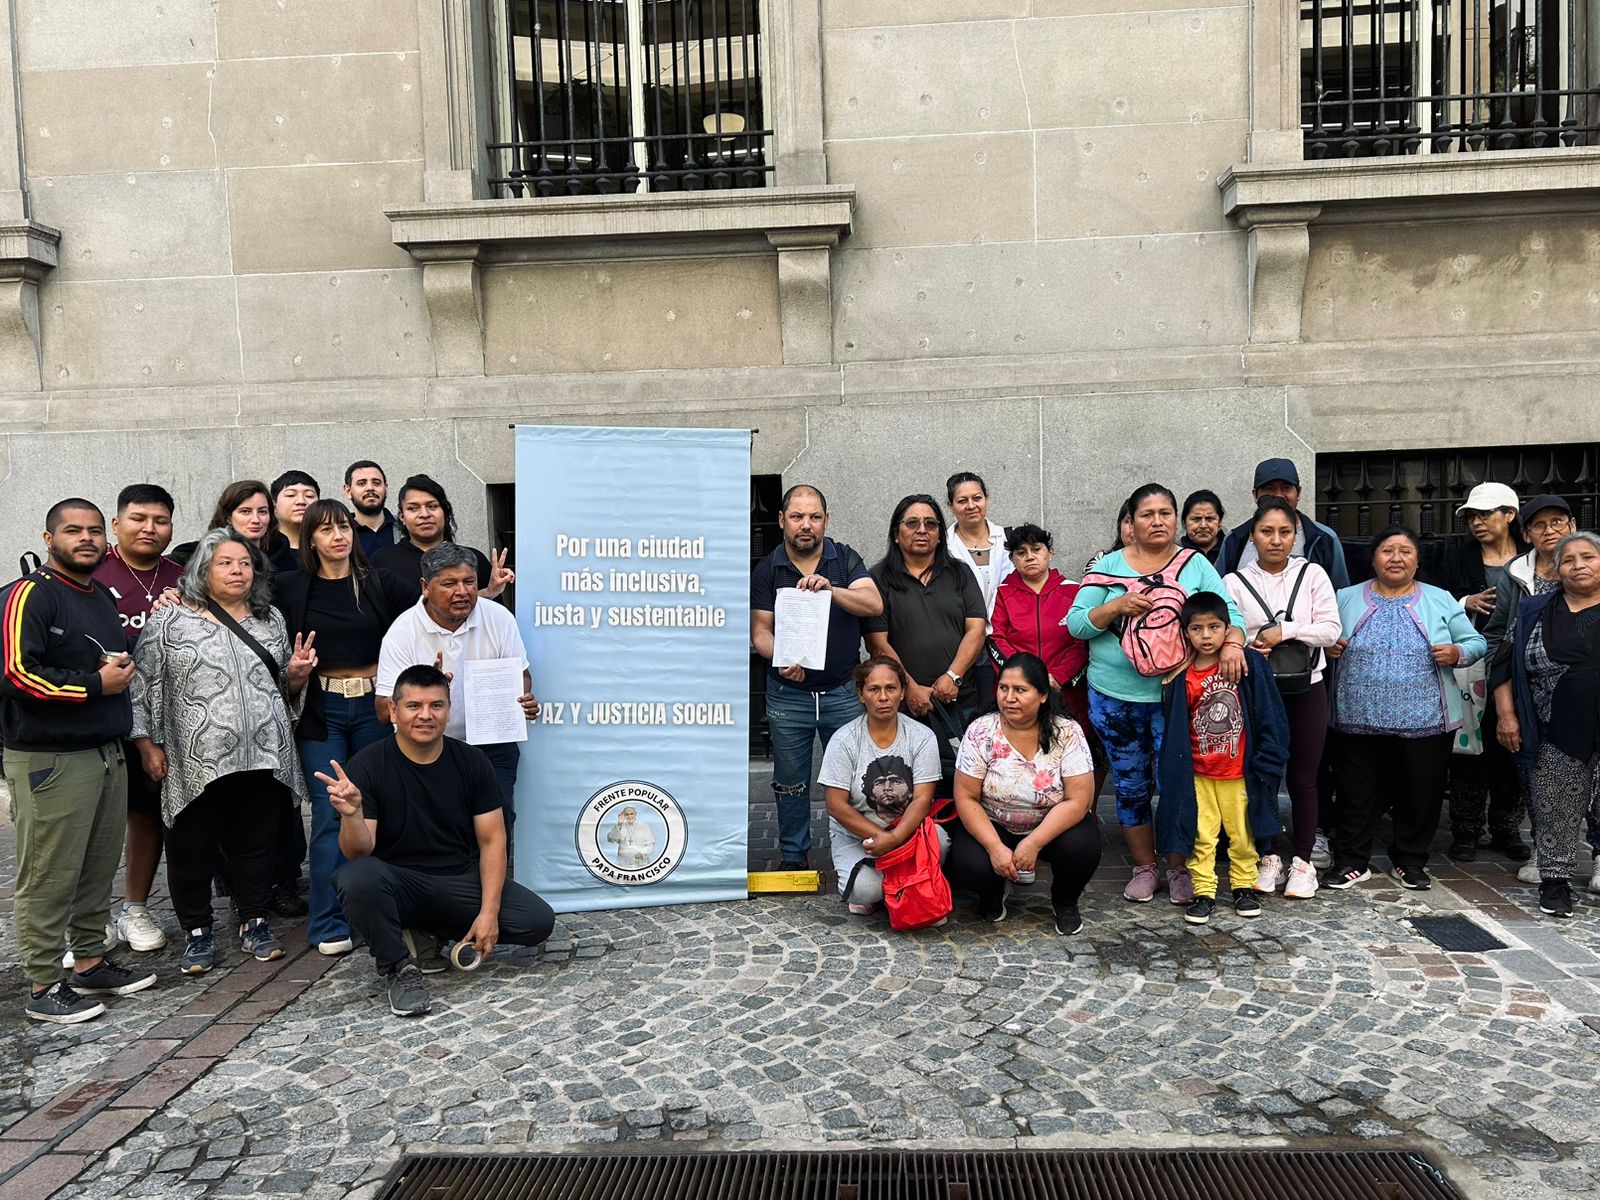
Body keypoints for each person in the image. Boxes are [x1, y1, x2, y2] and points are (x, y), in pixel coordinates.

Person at [131, 528, 318, 973]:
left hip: (264, 752)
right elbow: (142, 686)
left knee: (257, 844)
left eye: (245, 564)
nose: (237, 571)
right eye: (225, 563)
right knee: (191, 844)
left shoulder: (269, 618)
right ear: (203, 570)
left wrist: (295, 674)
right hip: (196, 758)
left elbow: (281, 690)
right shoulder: (170, 620)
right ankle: (197, 931)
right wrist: (145, 744)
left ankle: (254, 920)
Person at [322, 664, 556, 1017]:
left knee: (537, 921)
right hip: (398, 882)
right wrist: (353, 815)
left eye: (436, 706)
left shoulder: (472, 761)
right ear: (393, 711)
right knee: (358, 878)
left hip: (458, 880)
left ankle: (426, 932)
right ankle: (400, 969)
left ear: (448, 711)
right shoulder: (368, 764)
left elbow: (493, 841)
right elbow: (358, 851)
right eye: (414, 706)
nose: (425, 715)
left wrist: (489, 914)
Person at [2, 499, 156, 1024]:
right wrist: (95, 683)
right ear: (49, 538)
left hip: (103, 752)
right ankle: (44, 983)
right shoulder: (29, 595)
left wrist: (108, 667)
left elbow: (82, 660)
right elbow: (16, 673)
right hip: (51, 759)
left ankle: (90, 961)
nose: (86, 539)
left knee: (94, 868)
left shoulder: (97, 596)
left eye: (93, 531)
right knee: (49, 873)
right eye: (73, 531)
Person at [1067, 483, 1246, 904]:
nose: (1158, 521)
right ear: (1130, 522)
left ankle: (1180, 867)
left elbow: (1229, 614)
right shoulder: (1107, 566)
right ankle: (1144, 867)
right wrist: (1115, 607)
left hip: (1179, 699)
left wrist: (1234, 643)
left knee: (1177, 784)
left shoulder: (1194, 564)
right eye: (1147, 514)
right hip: (1114, 697)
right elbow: (1076, 624)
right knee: (1130, 784)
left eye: (1165, 513)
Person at [274, 499, 417, 956]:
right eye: (327, 529)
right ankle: (328, 921)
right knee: (330, 810)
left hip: (374, 706)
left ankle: (379, 910)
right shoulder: (290, 586)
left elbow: (425, 614)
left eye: (345, 528)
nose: (339, 536)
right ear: (310, 538)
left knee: (376, 805)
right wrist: (294, 673)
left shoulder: (377, 581)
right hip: (323, 709)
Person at [1323, 526, 1486, 892]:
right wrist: (1329, 645)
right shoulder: (1345, 597)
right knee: (1355, 791)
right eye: (1387, 550)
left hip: (1425, 717)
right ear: (1373, 558)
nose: (1396, 558)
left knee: (1420, 791)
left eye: (1405, 551)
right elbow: (1322, 634)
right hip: (1356, 716)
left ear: (1417, 560)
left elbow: (1475, 642)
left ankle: (1410, 861)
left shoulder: (1440, 598)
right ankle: (1351, 861)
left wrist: (1458, 653)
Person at [750, 484, 883, 869]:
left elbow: (872, 602)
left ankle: (868, 849)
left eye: (814, 517)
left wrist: (832, 589)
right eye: (797, 517)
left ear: (826, 520)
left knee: (859, 776)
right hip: (788, 695)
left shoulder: (844, 558)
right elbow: (760, 631)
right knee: (790, 783)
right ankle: (794, 858)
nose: (805, 525)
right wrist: (782, 656)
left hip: (842, 691)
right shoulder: (768, 567)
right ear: (782, 521)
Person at [1223, 498, 1341, 899]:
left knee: (1305, 777)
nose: (1276, 540)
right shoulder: (1234, 583)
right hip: (1257, 691)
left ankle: (1304, 861)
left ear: (1295, 535)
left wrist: (1285, 631)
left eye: (1285, 532)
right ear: (1252, 536)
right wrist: (1250, 647)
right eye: (1267, 532)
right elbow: (1228, 636)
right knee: (1262, 775)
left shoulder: (1313, 574)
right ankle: (1268, 855)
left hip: (1307, 687)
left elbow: (1330, 630)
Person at [376, 543, 539, 828]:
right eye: (449, 583)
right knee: (438, 829)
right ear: (425, 586)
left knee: (497, 821)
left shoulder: (499, 618)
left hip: (492, 745)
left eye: (469, 582)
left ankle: (491, 875)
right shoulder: (402, 632)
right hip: (428, 747)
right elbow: (383, 710)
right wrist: (427, 686)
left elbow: (522, 674)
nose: (462, 592)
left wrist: (522, 695)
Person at [1482, 495, 1599, 887]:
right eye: (1539, 525)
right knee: (1548, 787)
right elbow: (1501, 646)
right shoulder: (1520, 585)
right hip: (1546, 711)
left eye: (1557, 522)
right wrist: (1506, 711)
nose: (1549, 531)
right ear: (1526, 533)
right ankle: (1547, 856)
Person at [91, 484, 186, 954]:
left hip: (164, 717)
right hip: (97, 716)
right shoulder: (91, 572)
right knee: (95, 818)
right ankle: (90, 917)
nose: (150, 528)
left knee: (146, 813)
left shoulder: (183, 576)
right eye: (139, 518)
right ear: (116, 524)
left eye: (161, 520)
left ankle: (135, 907)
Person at [1157, 593, 1291, 924]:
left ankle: (1243, 886)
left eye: (1214, 627)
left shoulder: (1245, 664)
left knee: (1243, 833)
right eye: (1197, 628)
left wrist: (1268, 763)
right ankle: (1204, 891)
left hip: (1238, 771)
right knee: (1202, 835)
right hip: (1199, 773)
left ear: (1227, 629)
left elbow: (1270, 714)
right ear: (1185, 632)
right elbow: (1176, 727)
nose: (1206, 636)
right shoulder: (1180, 675)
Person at [946, 652, 1102, 934]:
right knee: (970, 862)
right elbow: (966, 796)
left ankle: (1065, 902)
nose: (1009, 697)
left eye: (1020, 690)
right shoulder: (981, 730)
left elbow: (1079, 801)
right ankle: (992, 896)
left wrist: (1033, 843)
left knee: (1083, 845)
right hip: (995, 820)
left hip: (1050, 823)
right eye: (1003, 688)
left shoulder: (1067, 732)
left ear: (1042, 695)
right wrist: (995, 848)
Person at [1420, 482, 1531, 864]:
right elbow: (1430, 600)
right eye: (1472, 516)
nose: (1477, 522)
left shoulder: (1529, 559)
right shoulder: (1456, 557)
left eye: (1485, 514)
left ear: (1510, 515)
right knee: (1468, 748)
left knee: (1511, 747)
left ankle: (1506, 827)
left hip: (1518, 668)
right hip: (1468, 665)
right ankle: (1466, 829)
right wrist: (1465, 600)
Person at [863, 495, 987, 790]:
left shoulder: (960, 573)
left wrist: (952, 676)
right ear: (896, 533)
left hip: (959, 699)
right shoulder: (878, 579)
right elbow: (877, 643)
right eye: (912, 523)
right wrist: (909, 688)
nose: (922, 530)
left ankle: (962, 836)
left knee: (965, 782)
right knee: (908, 784)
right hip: (905, 706)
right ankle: (919, 838)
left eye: (931, 524)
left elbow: (977, 629)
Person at [818, 656, 944, 916]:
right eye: (874, 689)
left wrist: (895, 838)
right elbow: (836, 806)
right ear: (861, 694)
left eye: (891, 688)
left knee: (942, 841)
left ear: (902, 692)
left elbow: (922, 799)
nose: (883, 697)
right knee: (865, 891)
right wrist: (880, 838)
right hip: (858, 836)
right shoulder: (844, 740)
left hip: (906, 831)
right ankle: (897, 886)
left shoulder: (922, 737)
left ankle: (907, 884)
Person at [369, 474, 511, 600]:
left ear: (445, 512)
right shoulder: (382, 561)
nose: (424, 514)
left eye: (432, 506)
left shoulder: (473, 559)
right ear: (402, 517)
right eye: (413, 508)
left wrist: (490, 591)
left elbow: (493, 619)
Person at [1218, 458, 1351, 589]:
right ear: (1255, 495)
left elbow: (1340, 593)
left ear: (1298, 493)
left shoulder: (1324, 538)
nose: (1278, 495)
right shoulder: (1234, 539)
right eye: (1269, 488)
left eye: (1286, 488)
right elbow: (1219, 593)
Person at [170, 479, 274, 566]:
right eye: (245, 511)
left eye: (262, 512)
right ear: (228, 517)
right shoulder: (190, 557)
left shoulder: (281, 559)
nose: (256, 519)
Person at [344, 460, 403, 559]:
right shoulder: (340, 533)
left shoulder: (404, 528)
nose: (370, 488)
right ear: (348, 491)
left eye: (376, 483)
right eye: (362, 483)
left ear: (386, 488)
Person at [268, 470, 321, 576]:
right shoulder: (265, 549)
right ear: (274, 506)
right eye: (290, 495)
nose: (301, 501)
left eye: (309, 496)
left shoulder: (330, 547)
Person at [1180, 490, 1227, 565]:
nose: (1203, 525)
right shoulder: (1174, 553)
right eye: (1196, 519)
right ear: (1184, 523)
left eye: (1210, 519)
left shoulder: (1231, 549)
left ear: (1220, 522)